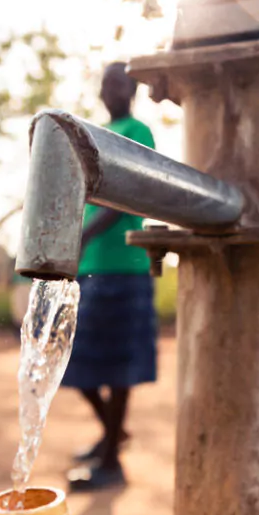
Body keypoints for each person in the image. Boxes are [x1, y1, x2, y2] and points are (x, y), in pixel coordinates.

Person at [61, 62, 157, 492]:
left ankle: (112, 460)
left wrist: (83, 234)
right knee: (77, 363)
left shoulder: (137, 133)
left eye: (116, 82)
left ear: (131, 89)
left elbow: (127, 196)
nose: (108, 89)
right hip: (91, 269)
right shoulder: (95, 135)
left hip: (126, 266)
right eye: (103, 83)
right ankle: (111, 435)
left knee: (117, 368)